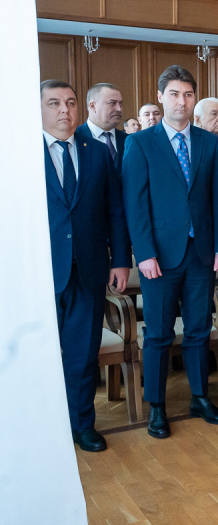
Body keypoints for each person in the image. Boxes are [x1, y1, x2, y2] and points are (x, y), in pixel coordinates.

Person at [122, 65, 218, 439]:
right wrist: (144, 253)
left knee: (200, 329)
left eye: (187, 94)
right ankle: (157, 406)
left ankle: (200, 397)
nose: (181, 101)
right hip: (159, 258)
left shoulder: (209, 143)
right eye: (174, 94)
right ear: (160, 97)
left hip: (201, 254)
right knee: (158, 333)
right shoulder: (140, 143)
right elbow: (135, 205)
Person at [42, 80, 130, 452]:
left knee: (82, 355)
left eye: (70, 102)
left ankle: (82, 425)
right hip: (39, 273)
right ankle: (44, 428)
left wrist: (121, 261)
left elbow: (115, 211)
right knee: (40, 355)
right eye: (53, 103)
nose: (64, 110)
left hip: (89, 270)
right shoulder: (21, 152)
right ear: (39, 109)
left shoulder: (95, 152)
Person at [76, 82, 127, 176]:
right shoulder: (74, 138)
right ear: (92, 106)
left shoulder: (128, 140)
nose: (119, 109)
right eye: (112, 103)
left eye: (121, 104)